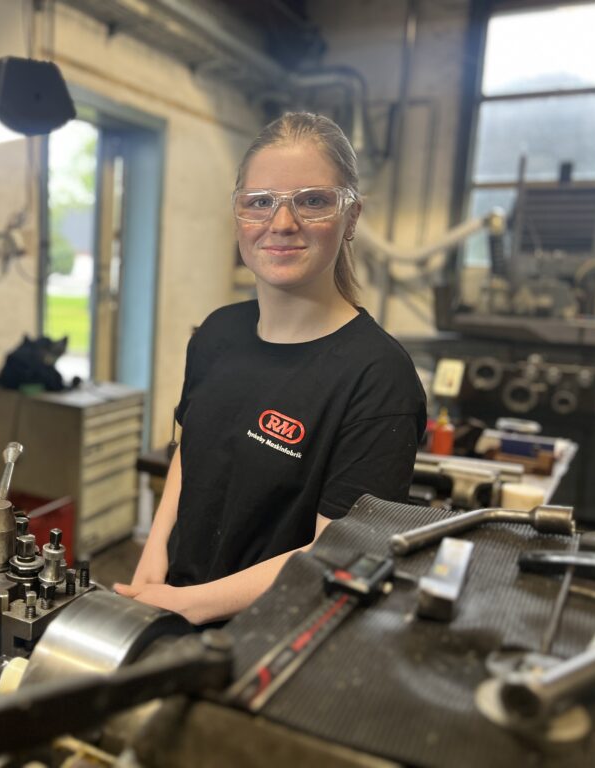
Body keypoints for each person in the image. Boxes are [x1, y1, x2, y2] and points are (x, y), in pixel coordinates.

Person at [114, 112, 427, 625]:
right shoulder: (216, 334)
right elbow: (187, 450)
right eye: (260, 203)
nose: (283, 223)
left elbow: (340, 549)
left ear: (351, 218)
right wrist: (154, 558)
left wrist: (187, 606)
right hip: (176, 604)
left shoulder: (378, 378)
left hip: (278, 636)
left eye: (313, 201)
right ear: (239, 215)